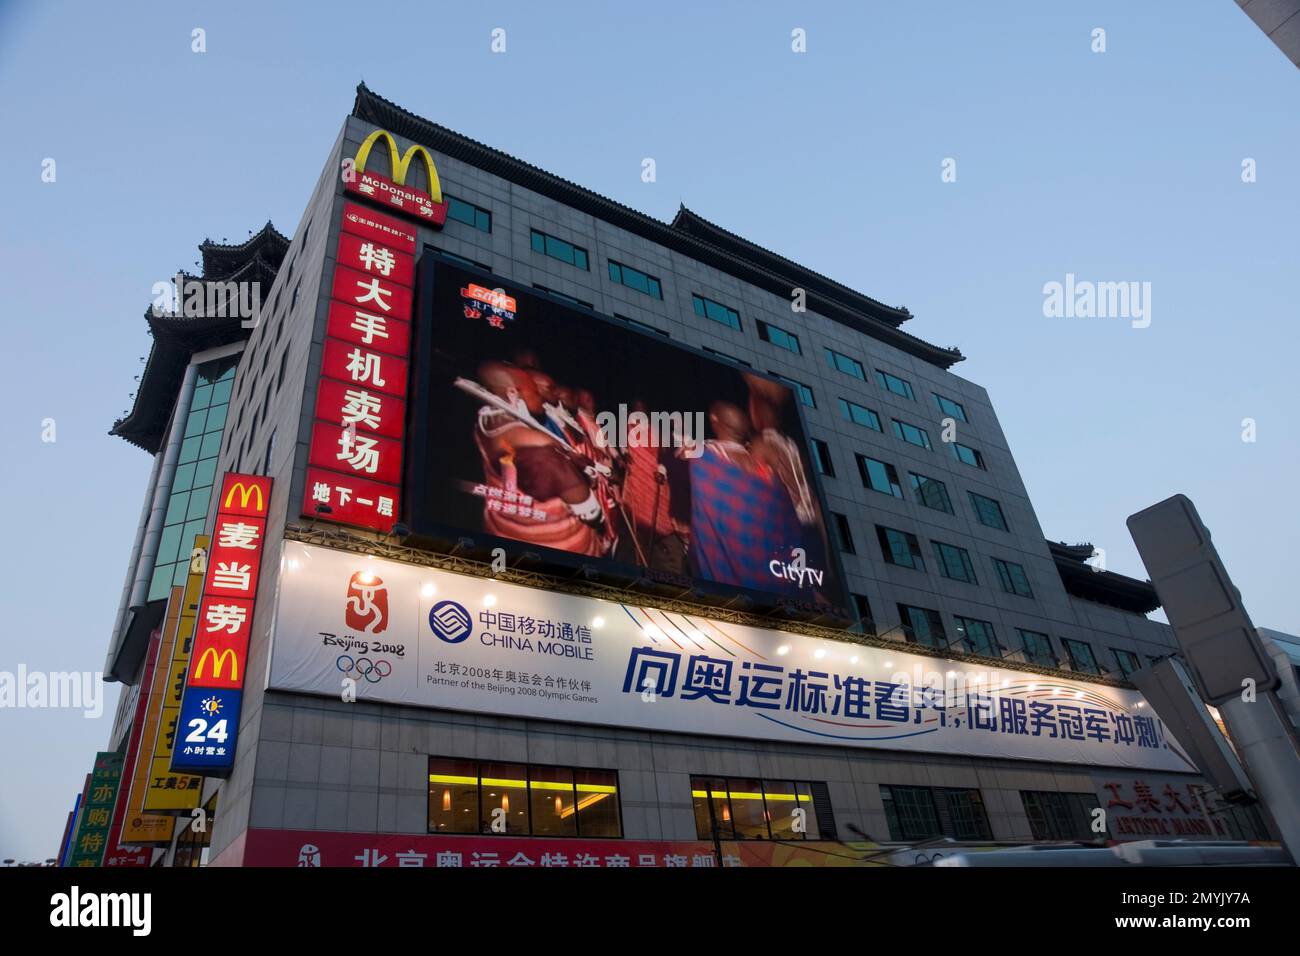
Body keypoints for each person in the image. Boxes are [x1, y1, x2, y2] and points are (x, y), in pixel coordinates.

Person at [471, 361, 608, 555]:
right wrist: (594, 513)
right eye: (534, 392)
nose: (541, 399)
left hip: (507, 534)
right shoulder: (534, 449)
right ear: (512, 393)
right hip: (554, 550)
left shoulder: (488, 421)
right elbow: (573, 489)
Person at [684, 401, 805, 595]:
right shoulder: (764, 471)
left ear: (714, 420)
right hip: (765, 576)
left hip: (721, 576)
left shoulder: (706, 457)